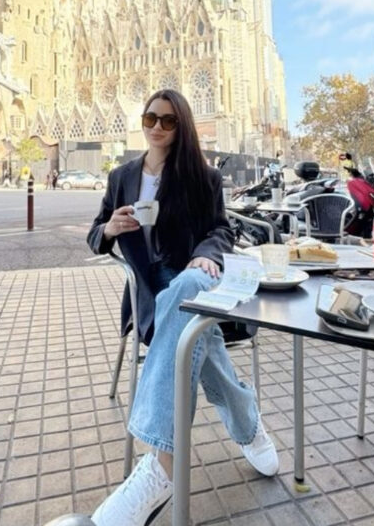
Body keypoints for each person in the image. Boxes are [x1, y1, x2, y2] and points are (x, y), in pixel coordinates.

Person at [87, 90, 277, 526]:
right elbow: (95, 234)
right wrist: (111, 228)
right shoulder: (122, 176)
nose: (157, 127)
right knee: (195, 333)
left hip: (194, 280)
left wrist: (207, 253)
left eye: (168, 121)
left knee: (189, 286)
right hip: (150, 301)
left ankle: (161, 466)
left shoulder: (201, 177)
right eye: (150, 118)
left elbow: (219, 229)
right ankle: (248, 424)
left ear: (182, 126)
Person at [346, 168, 374, 238]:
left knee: (364, 215)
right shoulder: (356, 182)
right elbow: (368, 192)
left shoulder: (357, 181)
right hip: (361, 207)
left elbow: (370, 191)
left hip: (362, 207)